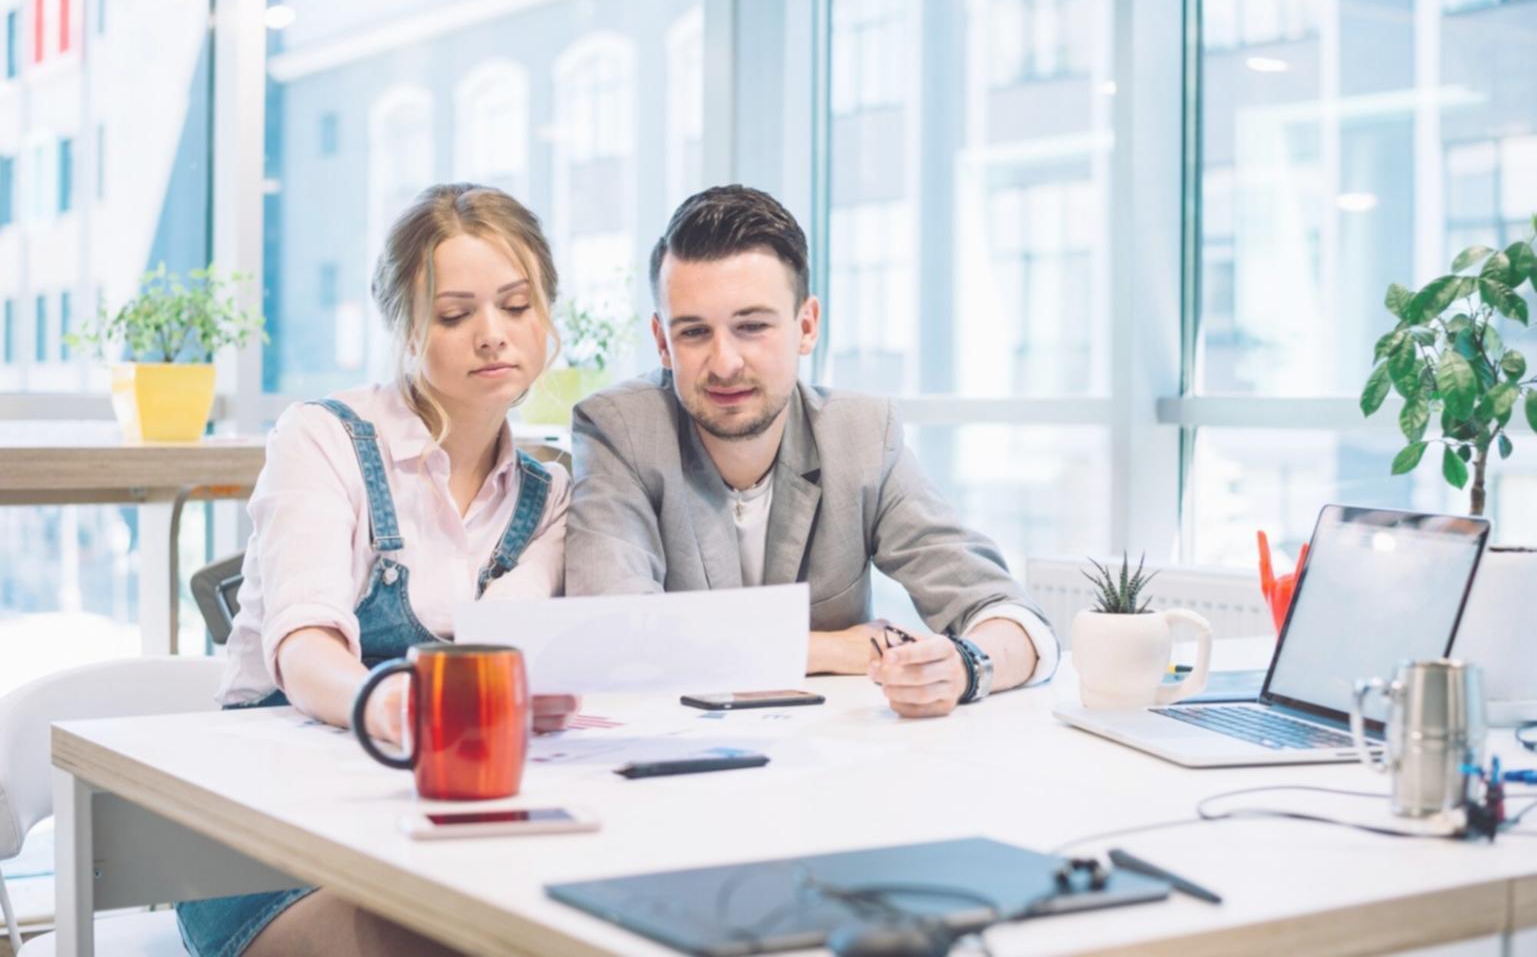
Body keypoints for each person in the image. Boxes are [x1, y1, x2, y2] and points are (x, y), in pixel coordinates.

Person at [177, 183, 576, 957]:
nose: (492, 336)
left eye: (516, 306)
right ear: (403, 328)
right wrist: (388, 703)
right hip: (272, 844)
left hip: (436, 827)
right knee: (455, 936)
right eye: (454, 315)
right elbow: (305, 649)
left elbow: (506, 638)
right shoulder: (322, 439)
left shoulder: (549, 495)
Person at [565, 185, 1058, 719]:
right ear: (662, 342)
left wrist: (964, 667)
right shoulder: (620, 429)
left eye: (752, 327)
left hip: (831, 751)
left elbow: (1013, 616)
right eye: (694, 332)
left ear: (806, 326)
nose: (725, 362)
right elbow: (611, 637)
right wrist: (830, 649)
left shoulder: (862, 436)